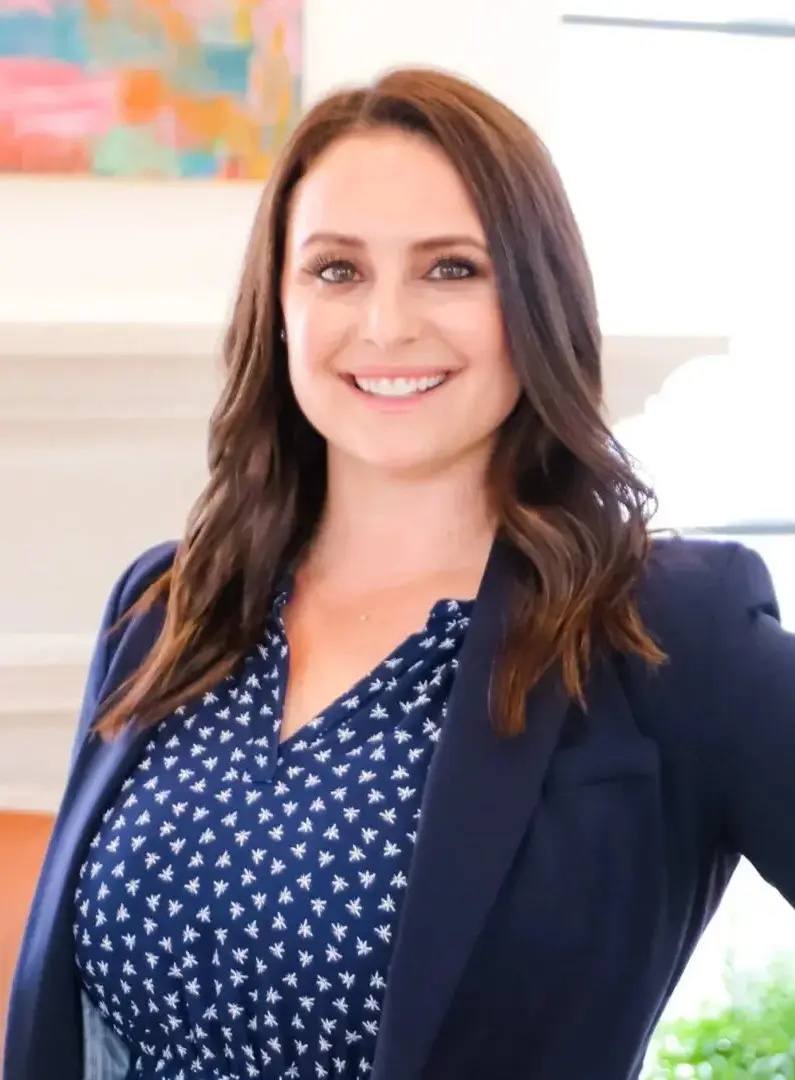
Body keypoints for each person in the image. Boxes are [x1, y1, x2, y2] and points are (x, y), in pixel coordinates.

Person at [5, 66, 795, 1080]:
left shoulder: (670, 628)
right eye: (337, 270)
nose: (386, 325)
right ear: (280, 305)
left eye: (452, 268)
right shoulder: (167, 607)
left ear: (535, 295)